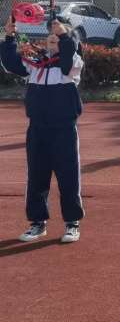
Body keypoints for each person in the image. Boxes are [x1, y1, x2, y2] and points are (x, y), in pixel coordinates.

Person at [1, 16, 85, 243]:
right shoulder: (35, 64)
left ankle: (72, 223)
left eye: (58, 38)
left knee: (68, 176)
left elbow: (68, 58)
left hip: (63, 129)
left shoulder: (72, 65)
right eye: (50, 38)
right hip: (37, 128)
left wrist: (64, 36)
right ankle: (37, 223)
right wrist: (9, 36)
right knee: (37, 176)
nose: (53, 39)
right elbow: (10, 63)